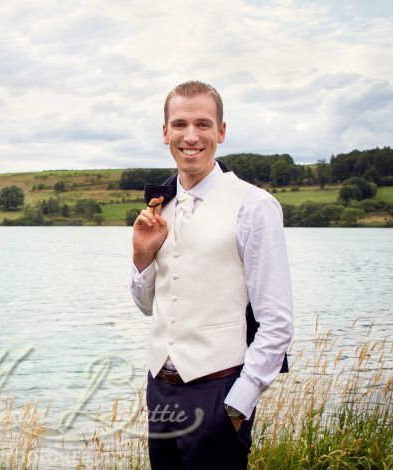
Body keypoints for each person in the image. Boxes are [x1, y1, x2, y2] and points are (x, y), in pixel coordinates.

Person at [130, 80, 293, 469]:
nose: (190, 136)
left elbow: (277, 322)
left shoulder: (254, 207)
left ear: (221, 131)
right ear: (164, 132)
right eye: (180, 124)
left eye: (203, 124)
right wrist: (142, 257)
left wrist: (239, 404)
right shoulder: (159, 207)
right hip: (160, 390)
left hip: (218, 391)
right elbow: (146, 306)